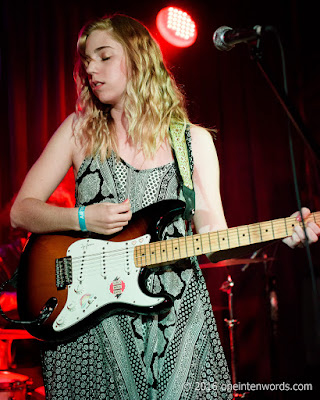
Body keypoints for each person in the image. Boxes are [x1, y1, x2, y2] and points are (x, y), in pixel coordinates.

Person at [9, 14, 320, 400]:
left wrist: (281, 231)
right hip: (89, 321)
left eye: (104, 56)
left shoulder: (192, 142)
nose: (91, 67)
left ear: (139, 60)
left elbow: (213, 239)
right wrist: (83, 217)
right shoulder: (79, 130)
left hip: (176, 318)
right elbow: (20, 211)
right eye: (86, 60)